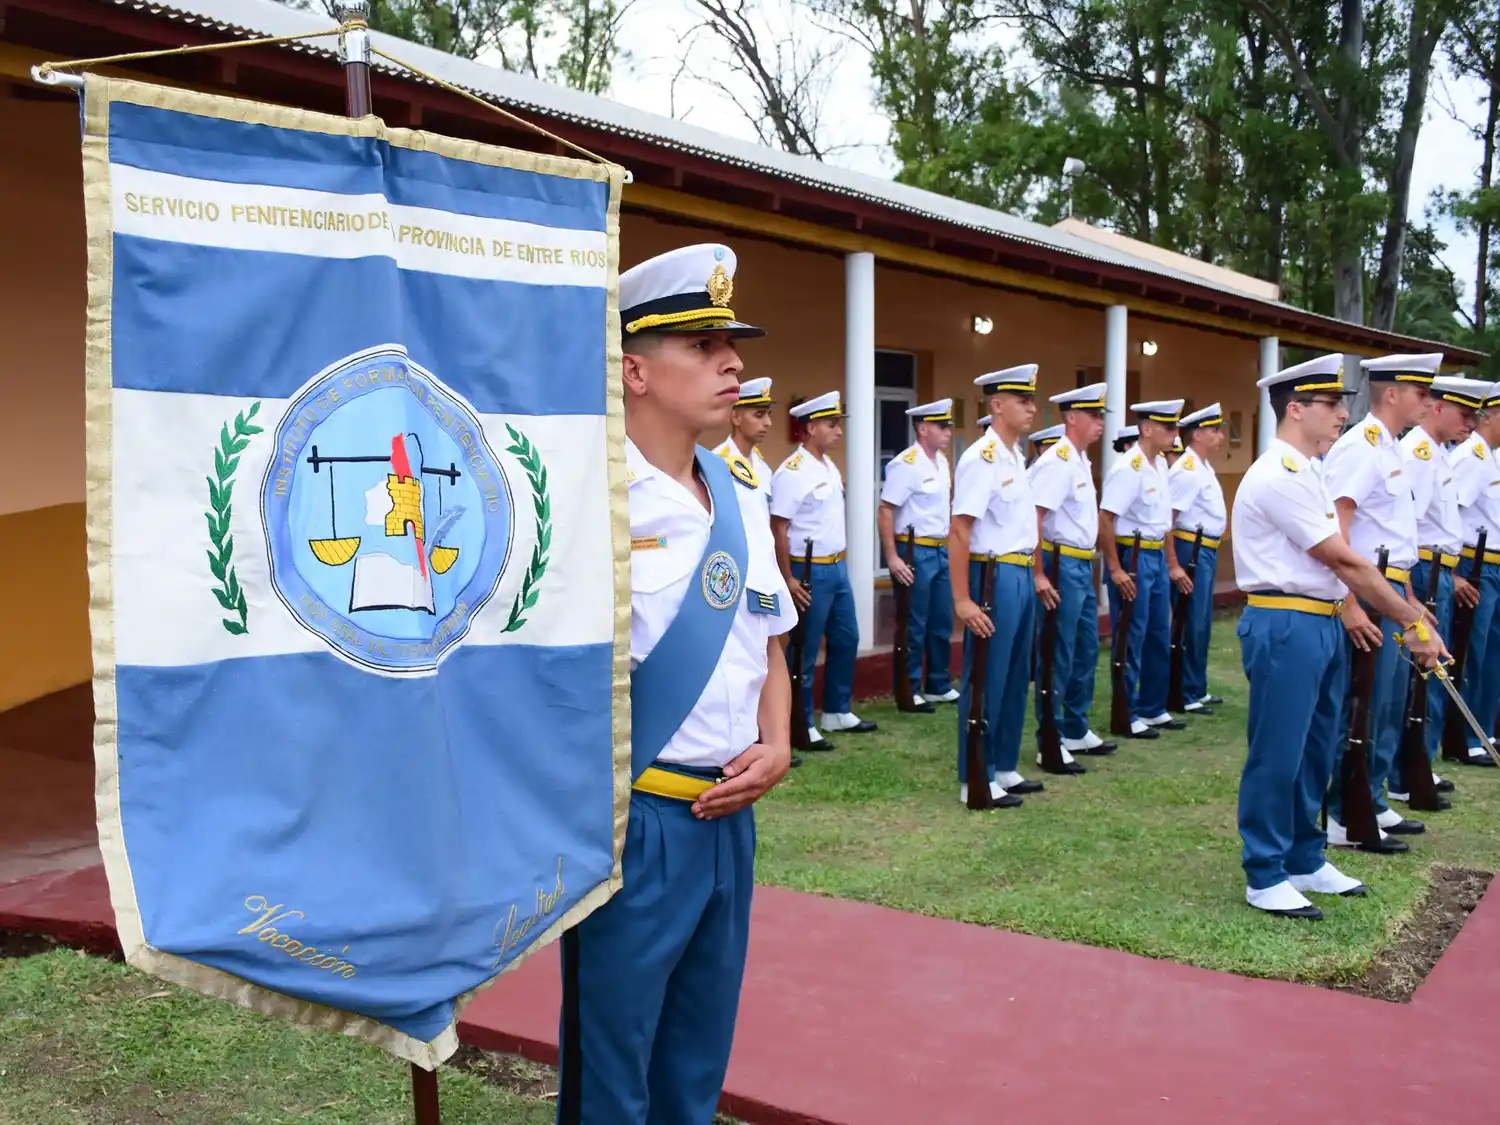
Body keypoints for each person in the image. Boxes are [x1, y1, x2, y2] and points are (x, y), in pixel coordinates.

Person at [557, 242, 795, 1124]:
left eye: (729, 343)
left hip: (732, 823)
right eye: (702, 344)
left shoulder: (736, 489)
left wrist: (777, 743)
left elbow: (769, 639)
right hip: (639, 823)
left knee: (696, 1062)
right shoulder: (591, 499)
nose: (733, 361)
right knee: (612, 1070)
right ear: (635, 370)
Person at [1233, 353, 1444, 920]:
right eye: (1330, 404)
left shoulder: (1312, 471)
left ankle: (1305, 856)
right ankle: (1265, 870)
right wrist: (1411, 619)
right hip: (1286, 621)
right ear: (1295, 408)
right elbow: (1342, 559)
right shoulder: (1277, 473)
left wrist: (1402, 610)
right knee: (1278, 751)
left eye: (1342, 404)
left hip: (1320, 619)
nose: (1341, 415)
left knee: (1317, 746)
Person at [1322, 353, 1438, 851]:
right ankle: (1340, 809)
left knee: (1387, 703)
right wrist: (1348, 600)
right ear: (1392, 393)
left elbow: (1394, 536)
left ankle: (1371, 796)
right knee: (1359, 706)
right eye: (1419, 393)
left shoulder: (1391, 447)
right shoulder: (1362, 446)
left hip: (1389, 588)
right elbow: (1339, 523)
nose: (1427, 402)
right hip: (1365, 593)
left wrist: (1409, 599)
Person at [949, 364, 1047, 807]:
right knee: (987, 676)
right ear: (996, 405)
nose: (1032, 406)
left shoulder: (1015, 456)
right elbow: (959, 530)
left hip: (1021, 571)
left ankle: (1004, 765)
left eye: (1031, 399)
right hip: (994, 576)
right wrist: (963, 599)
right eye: (1022, 400)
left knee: (1013, 676)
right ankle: (976, 775)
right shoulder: (981, 458)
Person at [1393, 375, 1488, 803]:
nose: (1471, 423)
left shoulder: (1438, 454)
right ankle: (1405, 769)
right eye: (1464, 414)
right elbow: (1405, 524)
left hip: (1440, 571)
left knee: (1433, 672)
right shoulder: (1416, 454)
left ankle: (1419, 763)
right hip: (1424, 571)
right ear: (1438, 408)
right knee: (1418, 675)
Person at [770, 390, 876, 747]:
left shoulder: (828, 466)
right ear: (811, 427)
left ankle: (836, 710)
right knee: (805, 647)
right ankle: (800, 722)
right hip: (808, 568)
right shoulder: (793, 471)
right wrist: (788, 577)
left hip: (836, 566)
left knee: (847, 637)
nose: (839, 431)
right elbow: (779, 527)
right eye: (832, 425)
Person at [1029, 381, 1116, 765]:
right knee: (1057, 652)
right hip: (1060, 563)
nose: (1101, 423)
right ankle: (1050, 736)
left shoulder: (1080, 460)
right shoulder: (1057, 460)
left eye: (1102, 416)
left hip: (1081, 562)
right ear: (1072, 418)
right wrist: (1038, 574)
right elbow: (1035, 517)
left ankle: (1076, 728)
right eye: (1094, 416)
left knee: (1084, 648)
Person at [1099, 398, 1190, 739]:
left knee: (1157, 631)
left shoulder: (1161, 466)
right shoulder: (1129, 467)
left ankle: (1153, 707)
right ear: (1147, 429)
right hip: (1132, 555)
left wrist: (1171, 563)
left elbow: (1164, 521)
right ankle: (1127, 711)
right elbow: (1105, 519)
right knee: (1130, 634)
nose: (1175, 434)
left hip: (1153, 555)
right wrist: (1115, 568)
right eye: (1169, 427)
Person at [879, 398, 958, 712]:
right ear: (923, 428)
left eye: (949, 426)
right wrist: (892, 558)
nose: (948, 432)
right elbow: (886, 510)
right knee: (914, 622)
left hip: (938, 548)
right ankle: (909, 689)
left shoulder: (941, 462)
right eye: (942, 426)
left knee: (941, 620)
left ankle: (938, 683)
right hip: (913, 549)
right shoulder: (906, 464)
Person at [1450, 381, 1500, 768]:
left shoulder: (1491, 456)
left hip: (1494, 566)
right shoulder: (1473, 457)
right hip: (1475, 565)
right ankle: (1464, 737)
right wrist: (1453, 572)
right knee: (1472, 652)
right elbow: (1449, 513)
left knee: (1492, 655)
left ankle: (1485, 729)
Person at [1168, 402, 1229, 715]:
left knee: (1201, 620)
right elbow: (1169, 518)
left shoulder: (1202, 467)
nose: (1220, 436)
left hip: (1204, 548)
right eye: (1214, 430)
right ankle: (1185, 690)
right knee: (1190, 620)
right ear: (1198, 435)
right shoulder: (1188, 470)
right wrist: (1174, 564)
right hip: (1189, 548)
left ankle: (1196, 686)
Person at [713, 377, 775, 516]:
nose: (768, 423)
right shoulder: (718, 464)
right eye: (759, 415)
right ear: (735, 417)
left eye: (768, 415)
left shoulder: (762, 466)